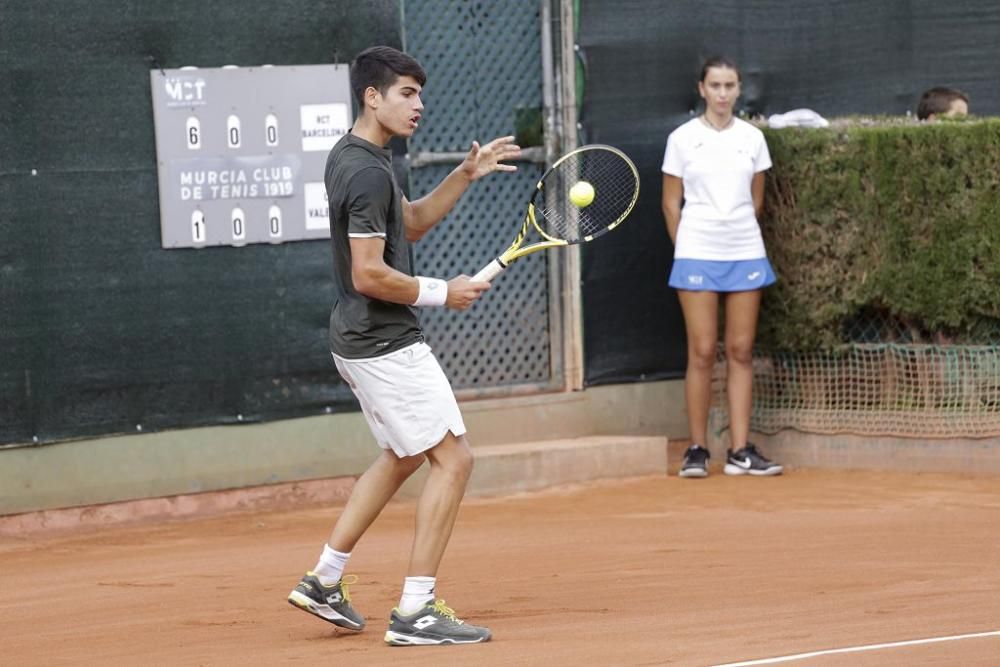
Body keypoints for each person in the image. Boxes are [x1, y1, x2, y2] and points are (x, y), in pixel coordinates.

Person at [286, 45, 520, 646]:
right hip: (384, 341)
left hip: (359, 338)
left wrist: (465, 173)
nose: (419, 105)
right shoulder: (367, 172)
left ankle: (324, 579)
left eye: (420, 93)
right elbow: (369, 273)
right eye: (406, 94)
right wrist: (445, 291)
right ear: (373, 96)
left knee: (406, 453)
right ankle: (416, 610)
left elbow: (409, 223)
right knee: (455, 459)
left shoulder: (357, 155)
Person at [660, 57, 783, 479]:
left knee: (741, 351)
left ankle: (740, 451)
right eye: (716, 85)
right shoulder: (681, 139)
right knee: (700, 351)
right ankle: (697, 449)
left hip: (745, 250)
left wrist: (734, 232)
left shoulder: (752, 138)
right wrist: (689, 246)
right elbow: (670, 203)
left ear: (738, 88)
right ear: (702, 89)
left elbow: (757, 201)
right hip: (697, 251)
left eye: (730, 85)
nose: (724, 93)